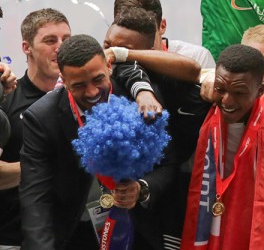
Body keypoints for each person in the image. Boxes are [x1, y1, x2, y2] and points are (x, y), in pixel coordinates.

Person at [19, 35, 167, 250]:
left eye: (98, 79)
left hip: (140, 231)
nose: (92, 92)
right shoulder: (41, 118)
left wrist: (142, 188)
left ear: (108, 66)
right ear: (63, 79)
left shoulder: (140, 100)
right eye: (78, 85)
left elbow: (168, 162)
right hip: (74, 233)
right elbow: (35, 197)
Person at [181, 44, 264, 250]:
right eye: (221, 90)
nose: (227, 100)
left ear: (259, 91)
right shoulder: (202, 107)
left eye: (239, 92)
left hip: (261, 228)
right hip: (208, 222)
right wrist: (203, 77)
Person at [102, 8, 208, 250]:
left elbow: (192, 70)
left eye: (118, 51)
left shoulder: (168, 83)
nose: (108, 54)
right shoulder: (93, 76)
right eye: (107, 44)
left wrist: (124, 56)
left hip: (157, 217)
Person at [0, 9, 71, 249]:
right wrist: (46, 165)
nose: (60, 47)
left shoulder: (84, 99)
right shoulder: (8, 102)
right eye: (50, 40)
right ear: (26, 47)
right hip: (15, 239)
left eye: (66, 40)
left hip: (77, 236)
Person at [113, 0, 216, 68]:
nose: (139, 48)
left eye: (146, 34)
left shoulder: (197, 58)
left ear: (162, 26)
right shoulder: (110, 64)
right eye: (129, 39)